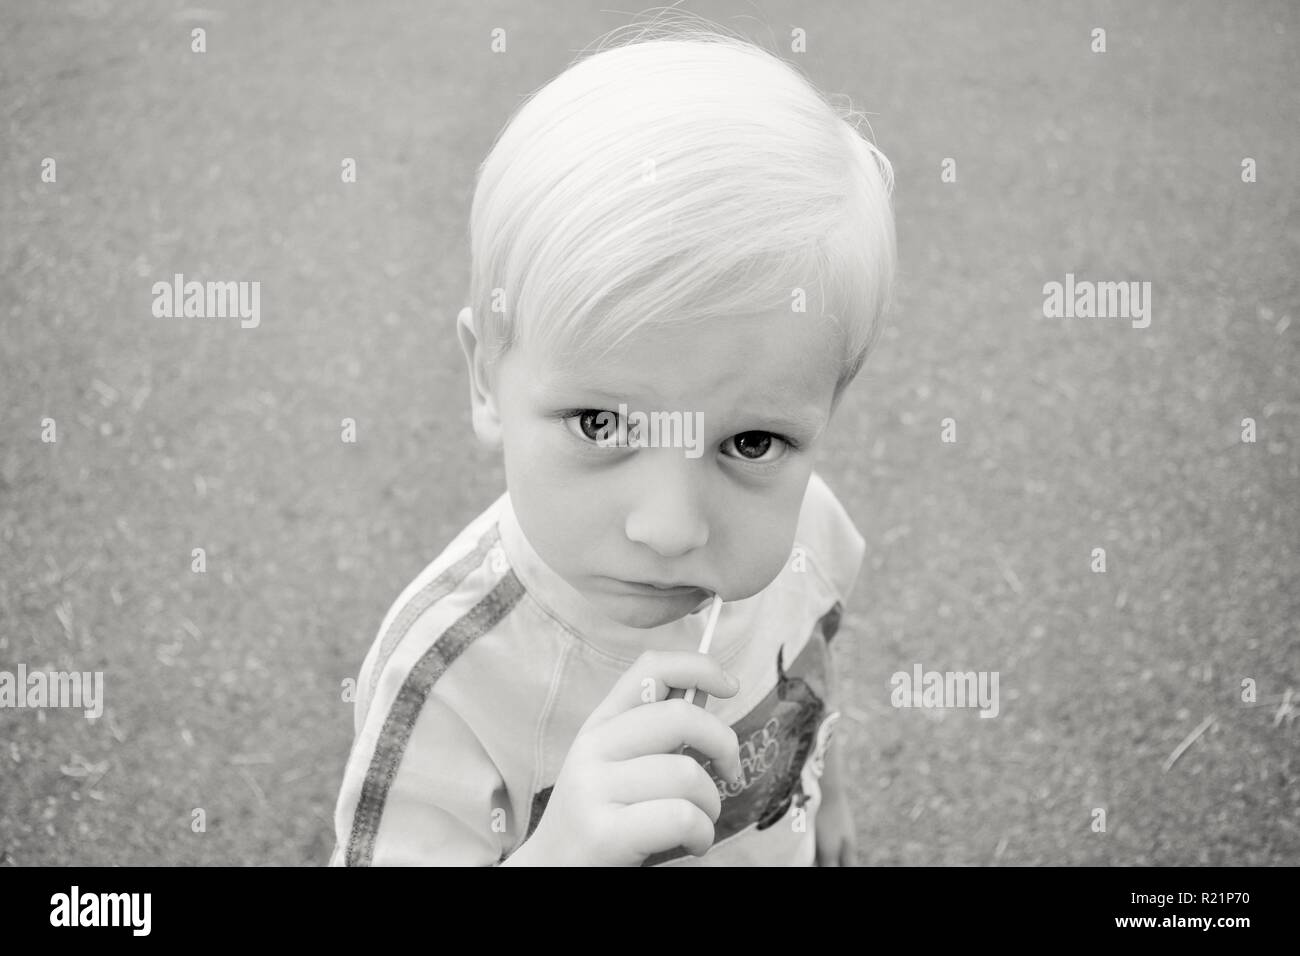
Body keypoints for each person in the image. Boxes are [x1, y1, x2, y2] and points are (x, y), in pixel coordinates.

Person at [331, 19, 896, 866]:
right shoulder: (449, 679)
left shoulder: (808, 529)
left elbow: (805, 683)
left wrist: (828, 796)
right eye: (602, 424)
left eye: (750, 442)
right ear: (487, 379)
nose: (671, 530)